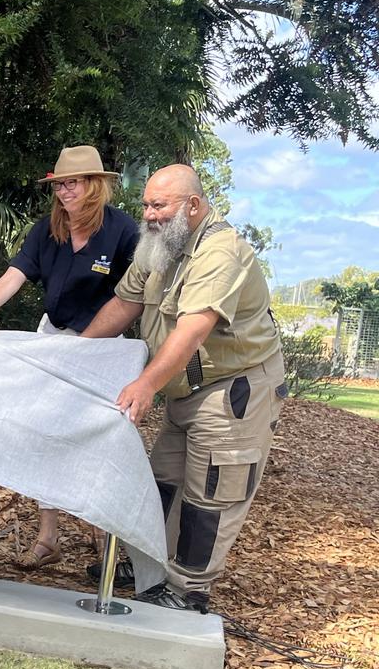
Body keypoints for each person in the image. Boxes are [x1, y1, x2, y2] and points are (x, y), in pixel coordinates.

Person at [82, 164, 285, 612]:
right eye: (147, 205)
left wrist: (145, 384)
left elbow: (193, 327)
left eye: (160, 205)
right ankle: (144, 563)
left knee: (211, 495)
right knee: (162, 481)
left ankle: (186, 590)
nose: (150, 215)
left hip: (232, 390)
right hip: (185, 390)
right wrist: (76, 350)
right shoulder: (160, 247)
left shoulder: (220, 251)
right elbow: (124, 303)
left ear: (192, 206)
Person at [0, 145, 139, 571]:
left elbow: (137, 296)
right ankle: (48, 535)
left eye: (73, 183)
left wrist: (89, 343)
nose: (65, 191)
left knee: (102, 436)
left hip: (102, 346)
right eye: (60, 185)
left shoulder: (123, 231)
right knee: (43, 432)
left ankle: (105, 535)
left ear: (95, 184)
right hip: (54, 338)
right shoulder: (47, 230)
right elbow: (13, 276)